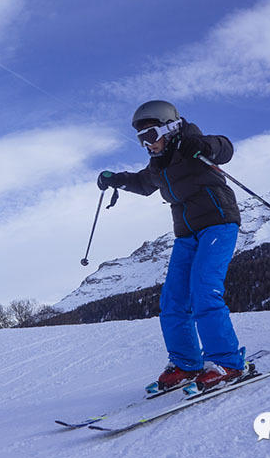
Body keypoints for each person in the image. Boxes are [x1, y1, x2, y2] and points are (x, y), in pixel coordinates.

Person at [97, 100, 246, 391]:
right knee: (173, 300)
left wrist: (203, 147)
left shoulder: (192, 144)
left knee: (204, 290)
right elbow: (142, 183)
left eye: (150, 136)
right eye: (141, 139)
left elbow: (224, 147)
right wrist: (115, 180)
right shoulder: (159, 164)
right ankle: (186, 363)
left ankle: (226, 362)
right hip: (186, 234)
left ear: (171, 127)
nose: (146, 145)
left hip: (218, 223)